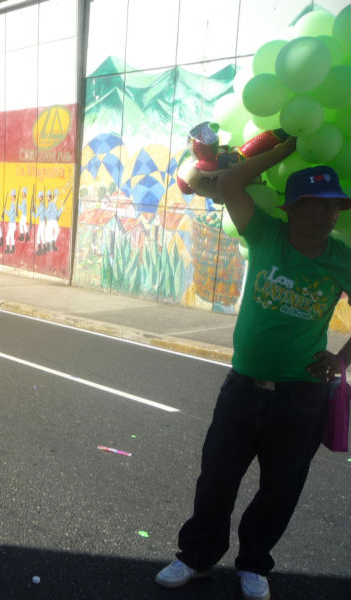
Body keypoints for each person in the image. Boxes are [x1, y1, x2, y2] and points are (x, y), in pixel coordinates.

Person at [155, 137, 351, 600]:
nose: (330, 215)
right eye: (319, 205)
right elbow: (231, 182)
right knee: (217, 478)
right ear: (293, 207)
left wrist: (341, 360)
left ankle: (255, 564)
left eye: (336, 207)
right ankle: (197, 558)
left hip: (302, 396)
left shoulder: (343, 258)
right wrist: (286, 149)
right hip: (242, 387)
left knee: (281, 488)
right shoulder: (265, 232)